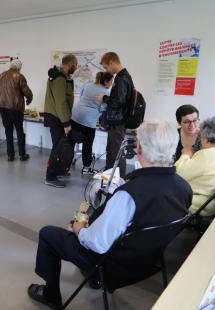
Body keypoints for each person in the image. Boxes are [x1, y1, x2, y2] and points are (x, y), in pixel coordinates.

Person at [28, 120, 192, 309]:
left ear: (140, 148)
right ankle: (94, 278)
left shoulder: (128, 195)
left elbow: (98, 244)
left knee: (48, 233)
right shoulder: (184, 187)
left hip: (114, 267)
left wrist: (79, 229)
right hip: (150, 262)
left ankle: (51, 295)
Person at [175, 116, 215, 216]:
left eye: (201, 138)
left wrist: (186, 154)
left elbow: (177, 174)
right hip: (211, 204)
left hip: (195, 204)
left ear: (207, 139)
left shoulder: (208, 155)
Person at [95, 52, 134, 178]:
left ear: (112, 62)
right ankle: (109, 176)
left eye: (106, 67)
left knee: (116, 152)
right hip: (116, 120)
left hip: (118, 121)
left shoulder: (122, 78)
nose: (106, 70)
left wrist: (104, 98)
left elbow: (119, 101)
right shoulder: (121, 76)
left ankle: (118, 180)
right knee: (111, 151)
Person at [44, 54, 78, 187]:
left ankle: (58, 171)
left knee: (59, 146)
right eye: (75, 64)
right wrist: (66, 123)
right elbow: (60, 102)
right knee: (57, 148)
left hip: (57, 116)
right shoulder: (59, 78)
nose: (76, 67)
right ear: (70, 64)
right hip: (57, 117)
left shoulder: (61, 76)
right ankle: (50, 177)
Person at [71, 72, 113, 175]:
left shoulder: (88, 85)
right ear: (106, 81)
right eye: (111, 81)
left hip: (75, 115)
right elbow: (103, 108)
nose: (111, 83)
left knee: (70, 141)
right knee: (87, 144)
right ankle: (86, 168)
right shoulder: (106, 92)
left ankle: (65, 163)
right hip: (88, 120)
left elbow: (81, 97)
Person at [0, 59, 33, 161]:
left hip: (3, 107)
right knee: (19, 131)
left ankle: (10, 155)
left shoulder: (0, 76)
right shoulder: (19, 76)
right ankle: (22, 155)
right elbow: (27, 91)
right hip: (15, 108)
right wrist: (29, 99)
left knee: (8, 131)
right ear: (19, 68)